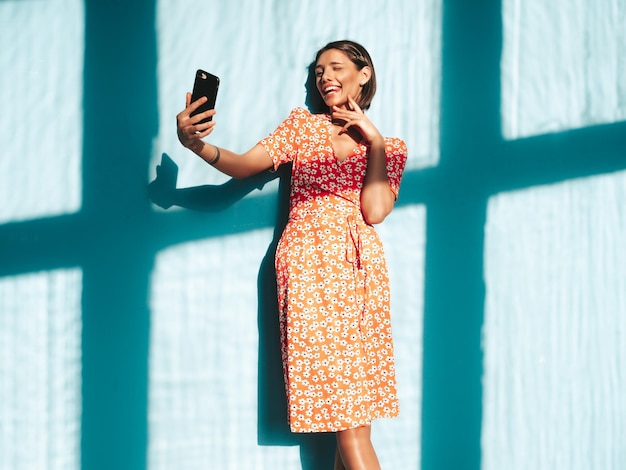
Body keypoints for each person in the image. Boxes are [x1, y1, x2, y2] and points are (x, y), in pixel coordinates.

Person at [176, 40, 407, 470]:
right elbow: (244, 166)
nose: (324, 78)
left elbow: (374, 211)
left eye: (335, 67)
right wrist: (197, 146)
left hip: (359, 273)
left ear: (364, 74)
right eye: (318, 71)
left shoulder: (389, 147)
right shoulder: (301, 127)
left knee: (354, 420)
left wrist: (373, 141)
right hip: (307, 269)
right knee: (348, 417)